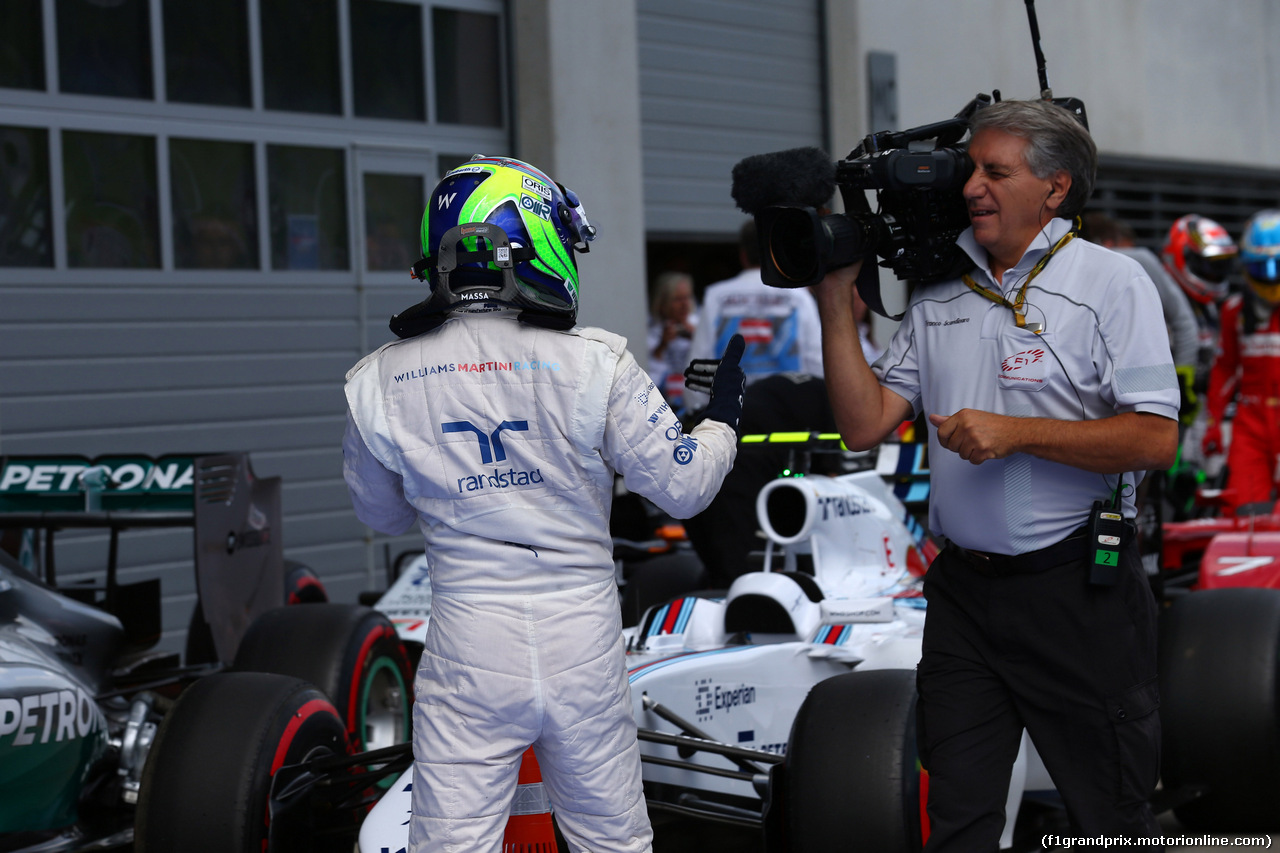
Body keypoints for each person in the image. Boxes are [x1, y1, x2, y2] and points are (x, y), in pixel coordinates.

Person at [341, 155, 744, 853]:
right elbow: (683, 486)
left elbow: (381, 516)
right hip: (583, 640)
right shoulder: (598, 361)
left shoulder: (378, 379)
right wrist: (719, 420)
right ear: (533, 240)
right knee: (612, 842)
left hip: (467, 641)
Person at [812, 99, 1179, 849]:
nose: (971, 186)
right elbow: (863, 423)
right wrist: (833, 308)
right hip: (963, 599)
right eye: (971, 168)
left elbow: (1155, 436)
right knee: (960, 819)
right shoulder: (939, 291)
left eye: (995, 171)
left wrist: (1016, 434)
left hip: (1080, 592)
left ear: (1055, 187)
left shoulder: (1112, 283)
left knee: (1110, 817)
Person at [684, 219, 825, 410]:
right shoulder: (799, 296)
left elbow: (699, 362)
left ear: (743, 255)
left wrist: (699, 411)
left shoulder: (716, 296)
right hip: (789, 412)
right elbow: (816, 360)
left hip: (732, 415)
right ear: (776, 252)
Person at [1202, 209, 1280, 513]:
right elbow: (1223, 371)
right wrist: (1212, 425)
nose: (1271, 275)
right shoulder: (1235, 311)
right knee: (1245, 513)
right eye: (1263, 267)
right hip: (1251, 424)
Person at [646, 270, 699, 413]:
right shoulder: (650, 329)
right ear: (663, 302)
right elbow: (648, 382)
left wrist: (696, 338)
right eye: (677, 299)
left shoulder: (699, 325)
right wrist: (662, 345)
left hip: (695, 407)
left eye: (687, 297)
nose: (684, 305)